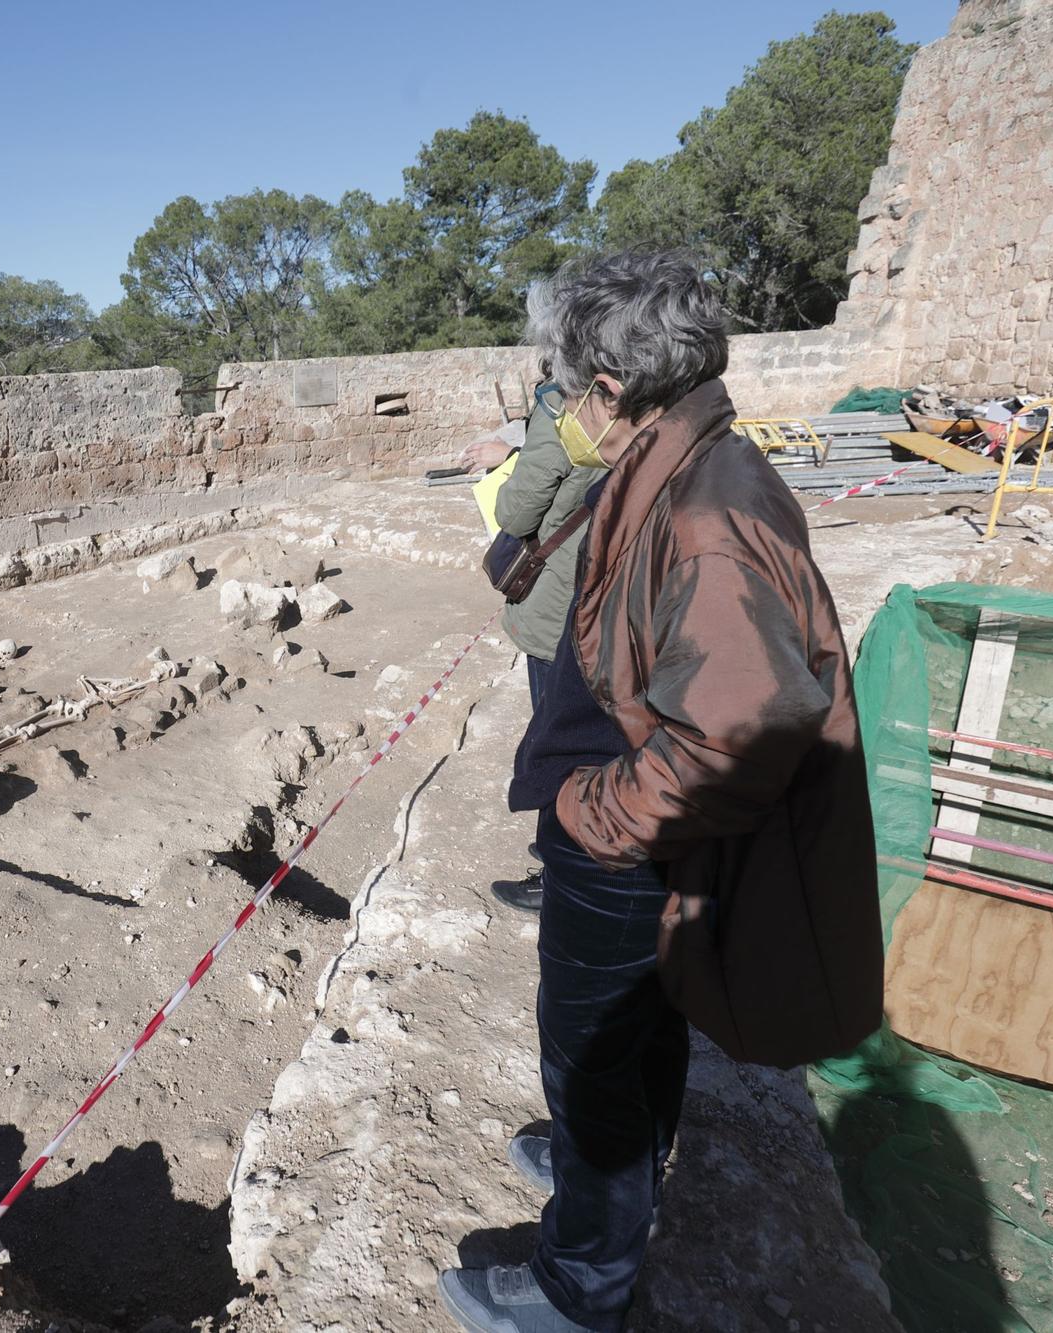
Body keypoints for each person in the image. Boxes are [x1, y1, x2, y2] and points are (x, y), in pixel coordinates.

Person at [438, 251, 881, 1333]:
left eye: (569, 378)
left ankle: (577, 1285)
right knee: (637, 1027)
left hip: (627, 837)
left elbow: (739, 731)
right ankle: (617, 1160)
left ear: (606, 384)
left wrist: (593, 812)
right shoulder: (683, 466)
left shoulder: (702, 511)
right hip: (636, 822)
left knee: (590, 1046)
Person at [458, 368, 597, 913]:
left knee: (559, 738)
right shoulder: (661, 398)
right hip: (614, 590)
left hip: (562, 599)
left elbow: (516, 511)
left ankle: (560, 871)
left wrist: (510, 462)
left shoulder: (566, 406)